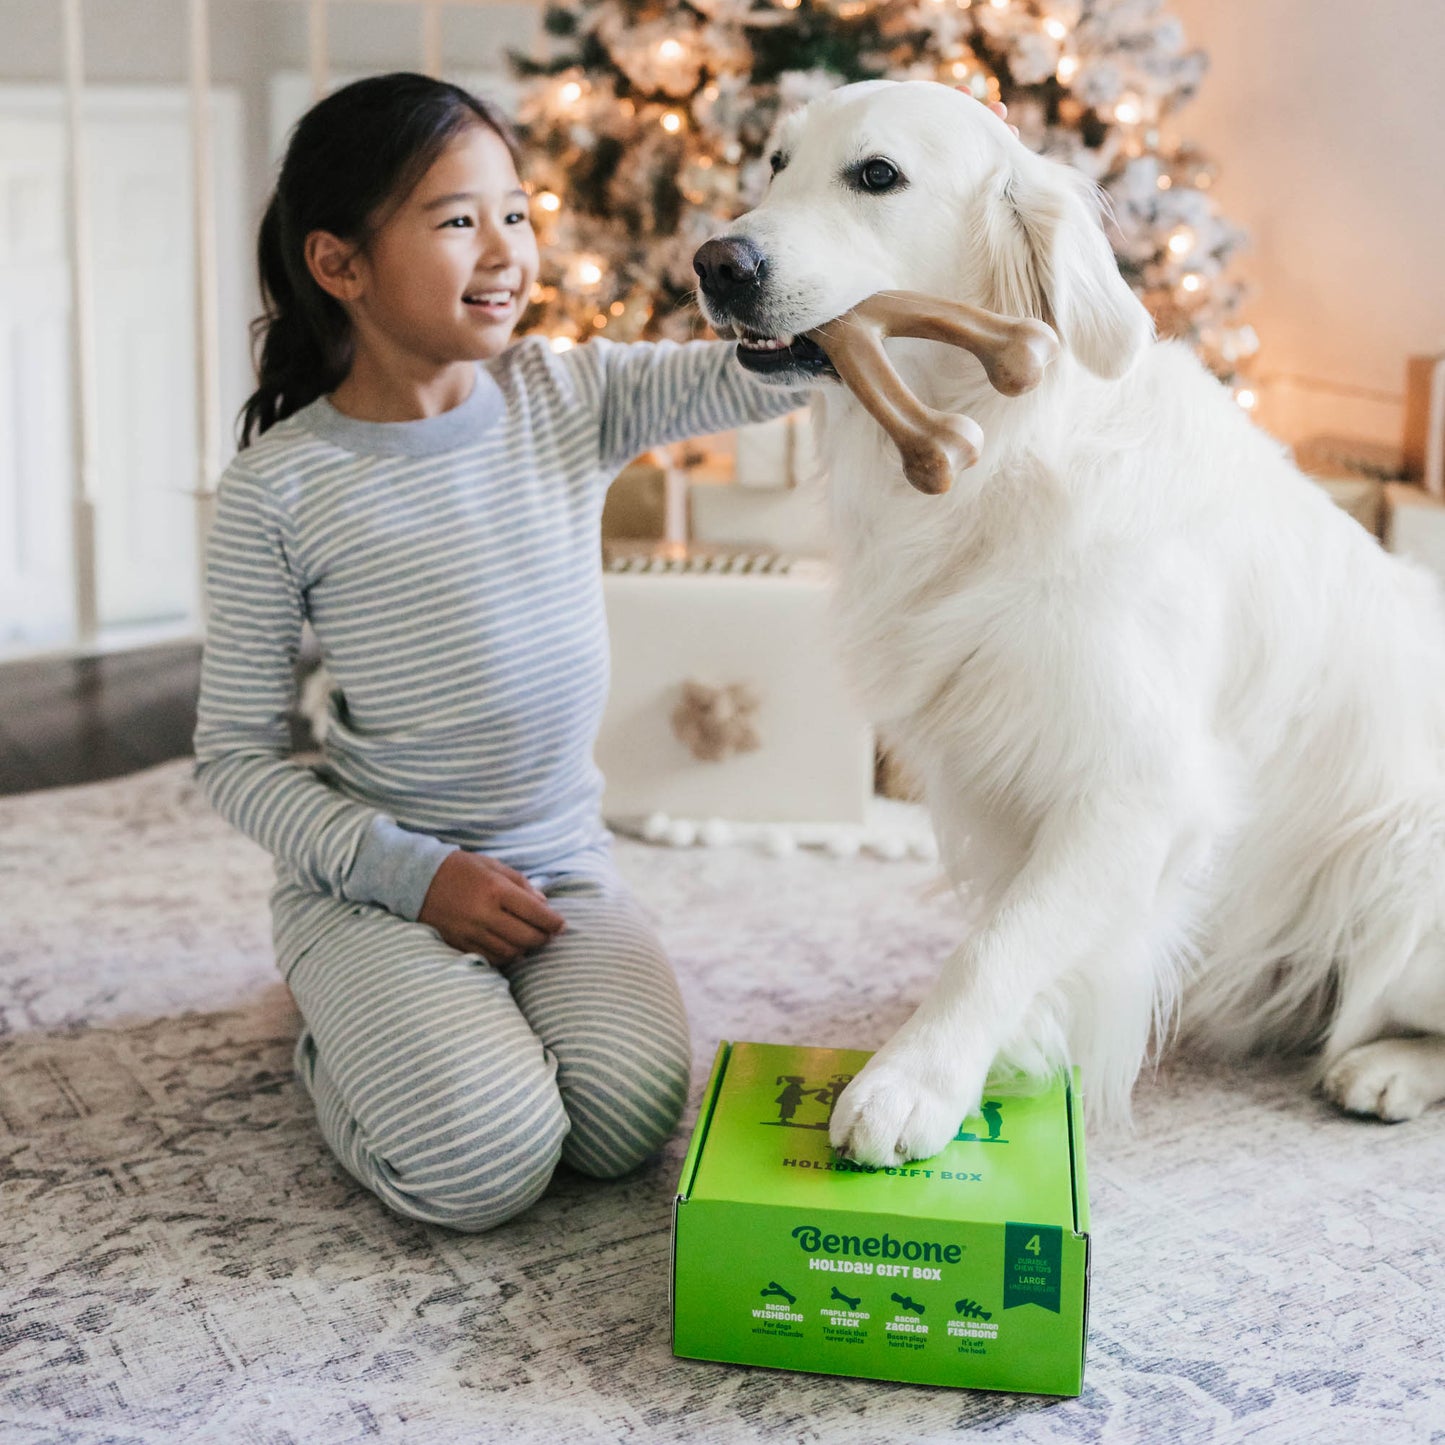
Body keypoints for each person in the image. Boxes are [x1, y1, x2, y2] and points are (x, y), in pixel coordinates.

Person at [193, 72, 809, 1232]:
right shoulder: (279, 487)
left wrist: (863, 269)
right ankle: (337, 1026)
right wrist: (412, 877)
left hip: (560, 862)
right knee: (482, 1162)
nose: (507, 249)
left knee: (623, 1121)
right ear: (339, 266)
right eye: (457, 219)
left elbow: (761, 369)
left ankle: (441, 1019)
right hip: (380, 885)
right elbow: (234, 755)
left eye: (517, 214)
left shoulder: (566, 393)